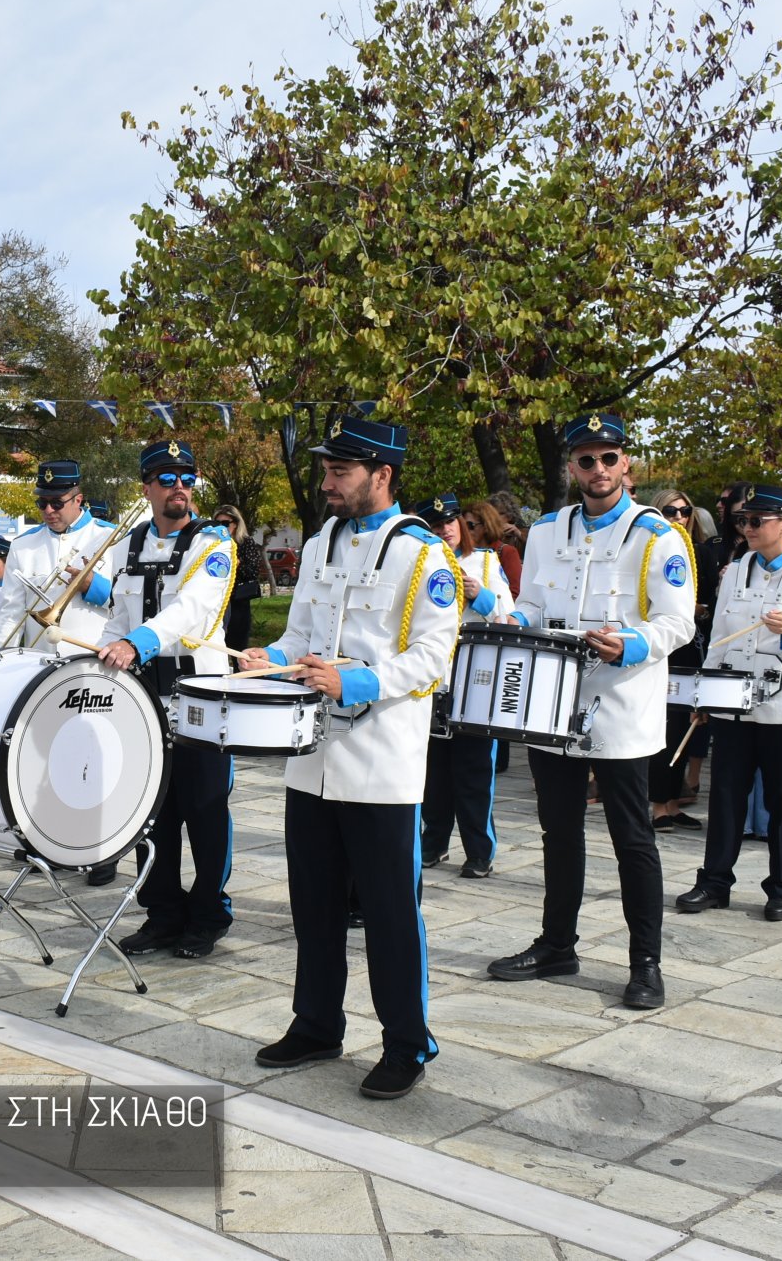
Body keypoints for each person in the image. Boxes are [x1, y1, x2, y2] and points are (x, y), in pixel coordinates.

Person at [242, 415, 460, 1100]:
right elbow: (301, 631)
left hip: (380, 760)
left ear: (382, 475)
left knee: (393, 913)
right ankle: (317, 1021)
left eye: (341, 470)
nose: (328, 481)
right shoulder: (319, 543)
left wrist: (358, 680)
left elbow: (435, 657)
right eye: (328, 469)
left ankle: (407, 1040)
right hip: (313, 757)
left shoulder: (423, 554)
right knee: (313, 904)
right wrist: (269, 658)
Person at [486, 413, 695, 1010]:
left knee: (633, 838)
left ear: (626, 464)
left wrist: (633, 643)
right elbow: (531, 601)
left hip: (621, 700)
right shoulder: (549, 530)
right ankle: (557, 944)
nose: (598, 470)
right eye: (586, 459)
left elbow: (679, 620)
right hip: (552, 702)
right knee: (559, 832)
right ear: (571, 466)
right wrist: (515, 620)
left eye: (609, 458)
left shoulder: (658, 535)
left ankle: (645, 963)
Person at [675, 485, 782, 921]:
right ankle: (714, 881)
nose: (746, 528)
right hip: (733, 701)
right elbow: (717, 639)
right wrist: (705, 693)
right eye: (742, 521)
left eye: (757, 520)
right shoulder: (735, 569)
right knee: (726, 795)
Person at [97, 440, 238, 959]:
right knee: (151, 813)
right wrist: (106, 654)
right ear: (147, 487)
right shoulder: (128, 544)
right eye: (166, 478)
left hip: (200, 694)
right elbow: (117, 616)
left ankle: (208, 914)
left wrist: (138, 642)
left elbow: (194, 610)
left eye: (187, 478)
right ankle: (161, 913)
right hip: (144, 698)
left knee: (204, 810)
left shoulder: (214, 543)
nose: (179, 487)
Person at [417, 492, 514, 877]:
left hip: (476, 683)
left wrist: (482, 595)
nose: (446, 529)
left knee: (474, 774)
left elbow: (511, 618)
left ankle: (479, 850)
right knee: (434, 775)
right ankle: (434, 842)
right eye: (437, 525)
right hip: (432, 683)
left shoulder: (486, 563)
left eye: (451, 521)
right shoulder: (420, 564)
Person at [646, 487, 719, 835]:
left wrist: (699, 610)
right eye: (670, 511)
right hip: (660, 647)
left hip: (693, 646)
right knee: (665, 727)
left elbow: (710, 603)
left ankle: (673, 803)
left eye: (685, 511)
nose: (679, 518)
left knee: (687, 728)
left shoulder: (702, 553)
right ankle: (659, 804)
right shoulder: (648, 550)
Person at [0, 460, 118, 655]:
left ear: (78, 500)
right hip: (41, 661)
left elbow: (129, 606)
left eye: (57, 503)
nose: (48, 510)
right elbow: (11, 613)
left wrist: (94, 587)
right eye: (42, 503)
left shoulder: (113, 538)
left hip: (94, 659)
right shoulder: (22, 545)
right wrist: (1, 656)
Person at [210, 505, 265, 660]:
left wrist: (236, 561)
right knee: (215, 644)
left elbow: (253, 572)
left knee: (237, 646)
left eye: (225, 523)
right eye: (217, 523)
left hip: (238, 600)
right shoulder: (212, 544)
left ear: (236, 523)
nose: (221, 527)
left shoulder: (245, 543)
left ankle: (239, 677)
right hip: (216, 599)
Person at [461, 500, 523, 598]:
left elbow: (516, 594)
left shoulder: (506, 552)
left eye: (470, 526)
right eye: (463, 527)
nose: (465, 531)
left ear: (486, 526)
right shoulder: (462, 553)